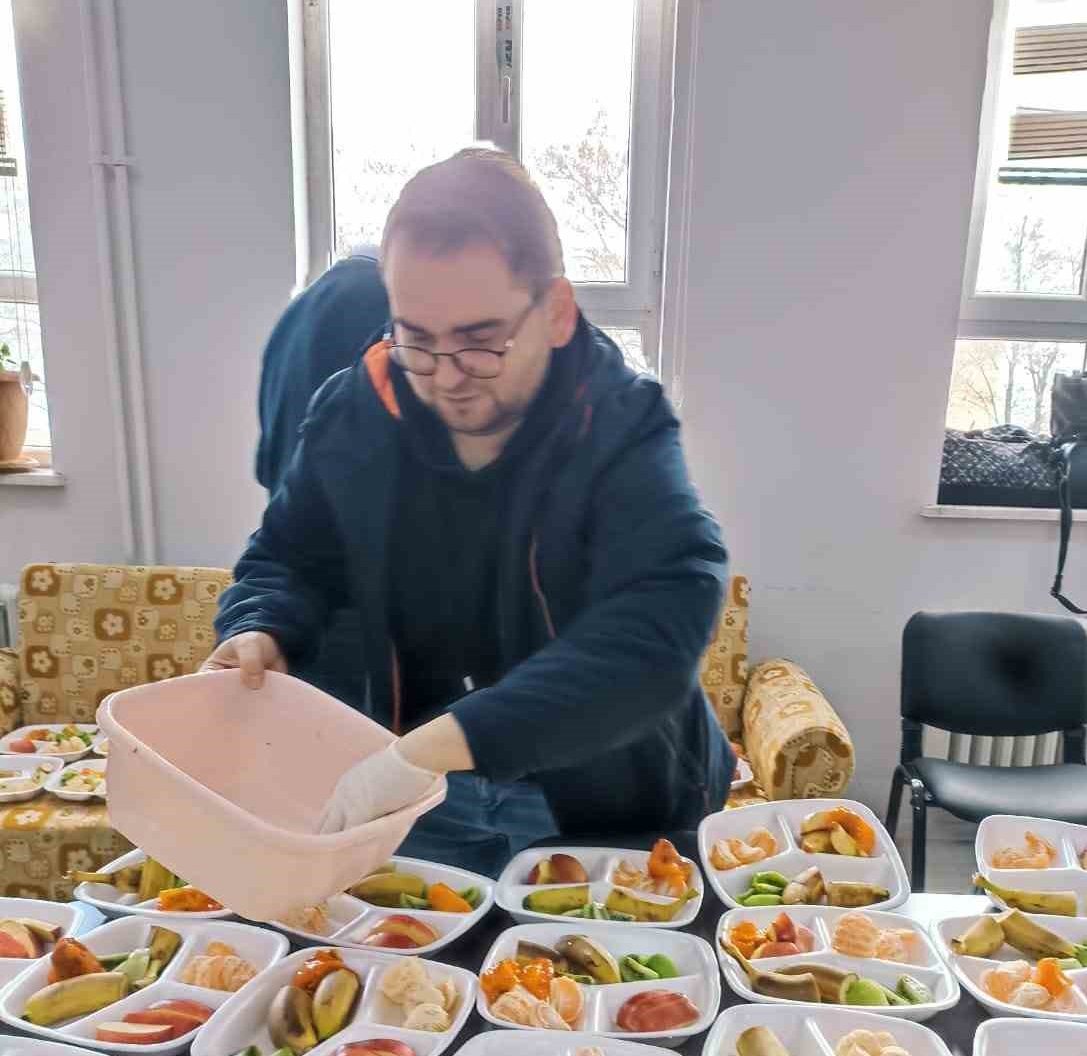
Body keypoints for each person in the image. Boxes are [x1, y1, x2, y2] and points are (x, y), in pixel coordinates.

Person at [205, 147, 733, 876]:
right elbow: (289, 555)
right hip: (422, 800)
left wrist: (429, 749)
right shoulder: (355, 410)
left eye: (480, 342)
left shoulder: (622, 423)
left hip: (595, 802)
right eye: (416, 339)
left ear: (553, 311)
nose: (446, 378)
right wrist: (260, 624)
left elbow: (656, 633)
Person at [255, 247, 390, 709]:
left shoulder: (294, 317)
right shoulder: (380, 307)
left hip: (298, 586)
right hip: (354, 601)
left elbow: (264, 460)